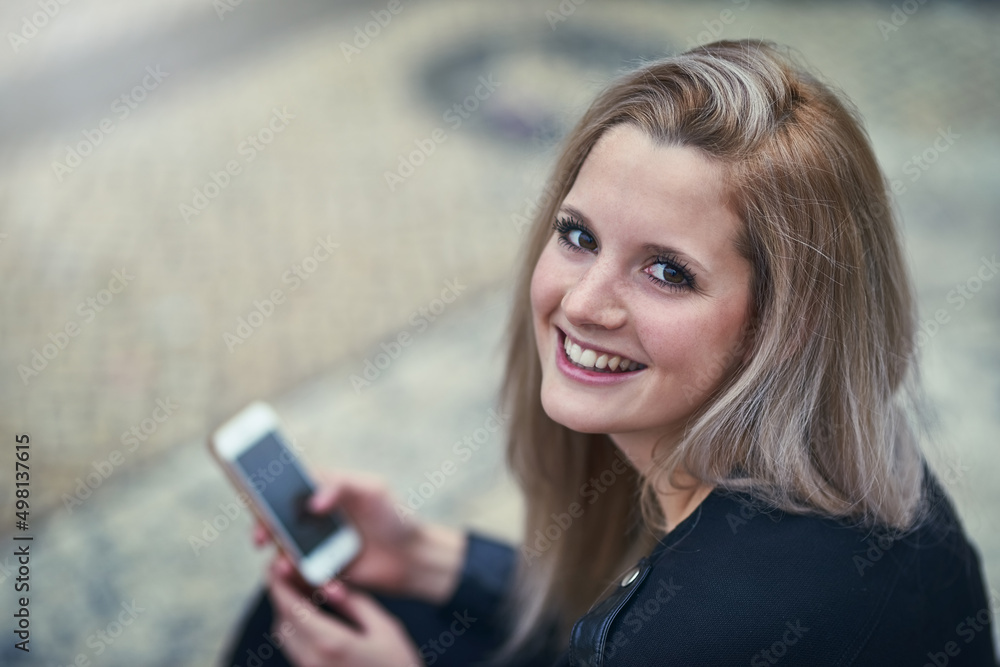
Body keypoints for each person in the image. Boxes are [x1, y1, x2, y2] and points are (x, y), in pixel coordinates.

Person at [222, 39, 998, 666]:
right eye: (578, 235)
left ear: (787, 324)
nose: (584, 302)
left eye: (667, 271)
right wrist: (427, 555)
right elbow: (612, 600)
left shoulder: (694, 633)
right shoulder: (850, 452)